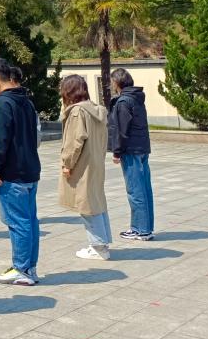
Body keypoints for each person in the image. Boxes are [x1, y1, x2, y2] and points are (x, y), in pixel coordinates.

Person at [0, 58, 42, 286]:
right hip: (30, 168)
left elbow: (1, 140)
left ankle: (22, 268)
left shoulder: (3, 103)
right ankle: (29, 267)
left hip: (13, 172)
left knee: (18, 222)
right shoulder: (26, 101)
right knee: (30, 220)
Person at [58, 75, 112, 260]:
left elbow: (74, 142)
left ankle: (98, 247)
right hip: (95, 162)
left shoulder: (77, 112)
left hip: (82, 165)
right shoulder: (97, 110)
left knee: (87, 205)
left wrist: (67, 164)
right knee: (96, 201)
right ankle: (102, 243)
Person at [108, 68, 155, 241]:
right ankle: (146, 227)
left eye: (112, 81)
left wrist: (116, 152)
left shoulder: (123, 102)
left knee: (135, 191)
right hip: (142, 148)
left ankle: (140, 230)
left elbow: (122, 130)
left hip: (131, 151)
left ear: (117, 82)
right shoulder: (137, 98)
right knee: (145, 189)